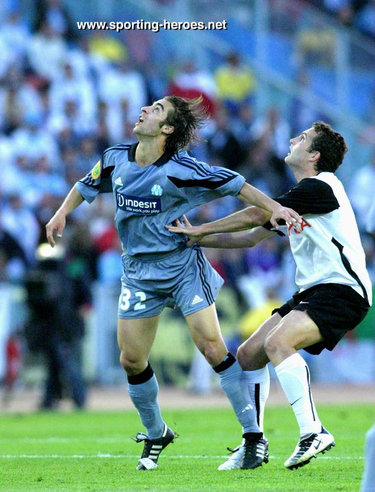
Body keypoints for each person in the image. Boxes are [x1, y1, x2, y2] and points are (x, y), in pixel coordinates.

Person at [45, 95, 300, 470]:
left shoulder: (182, 170)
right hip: (137, 271)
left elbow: (237, 184)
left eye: (157, 109)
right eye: (149, 106)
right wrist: (60, 214)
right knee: (131, 360)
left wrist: (276, 207)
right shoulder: (116, 156)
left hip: (180, 265)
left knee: (212, 347)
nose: (145, 109)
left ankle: (253, 437)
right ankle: (156, 432)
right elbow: (86, 185)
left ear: (166, 129)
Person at [167, 121, 372, 470]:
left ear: (315, 155)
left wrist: (202, 227)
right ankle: (254, 445)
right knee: (248, 355)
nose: (293, 139)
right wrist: (197, 240)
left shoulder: (321, 187)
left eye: (302, 138)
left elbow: (256, 212)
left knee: (278, 344)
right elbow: (249, 238)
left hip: (342, 289)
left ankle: (313, 431)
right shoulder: (298, 198)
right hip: (314, 290)